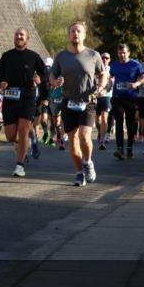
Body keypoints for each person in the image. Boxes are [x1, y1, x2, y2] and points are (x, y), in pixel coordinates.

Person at [49, 22, 106, 186]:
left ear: (84, 35)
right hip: (68, 101)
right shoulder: (62, 56)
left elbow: (103, 73)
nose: (75, 33)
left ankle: (87, 162)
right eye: (72, 31)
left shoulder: (93, 55)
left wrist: (101, 87)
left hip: (88, 101)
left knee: (84, 136)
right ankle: (79, 173)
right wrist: (55, 82)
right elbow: (52, 75)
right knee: (73, 138)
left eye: (79, 31)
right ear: (69, 35)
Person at [0, 28, 47, 177]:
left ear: (27, 38)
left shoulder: (34, 57)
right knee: (11, 136)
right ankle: (28, 142)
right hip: (10, 98)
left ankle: (20, 165)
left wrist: (40, 81)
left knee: (23, 130)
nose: (18, 37)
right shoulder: (6, 56)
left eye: (21, 35)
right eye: (16, 34)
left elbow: (44, 74)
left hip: (27, 98)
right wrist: (1, 84)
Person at [109, 44, 144, 160]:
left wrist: (136, 84)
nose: (122, 55)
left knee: (131, 123)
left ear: (129, 53)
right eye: (120, 53)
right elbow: (111, 76)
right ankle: (120, 148)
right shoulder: (114, 65)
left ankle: (130, 146)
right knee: (119, 121)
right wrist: (109, 84)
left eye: (124, 53)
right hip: (117, 97)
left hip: (131, 98)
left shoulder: (135, 64)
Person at [96, 52, 113, 150]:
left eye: (107, 58)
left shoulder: (111, 70)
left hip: (107, 96)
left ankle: (102, 139)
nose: (104, 59)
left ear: (109, 60)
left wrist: (108, 87)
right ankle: (100, 132)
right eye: (103, 57)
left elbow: (112, 82)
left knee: (104, 118)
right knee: (97, 120)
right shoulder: (96, 69)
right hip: (95, 97)